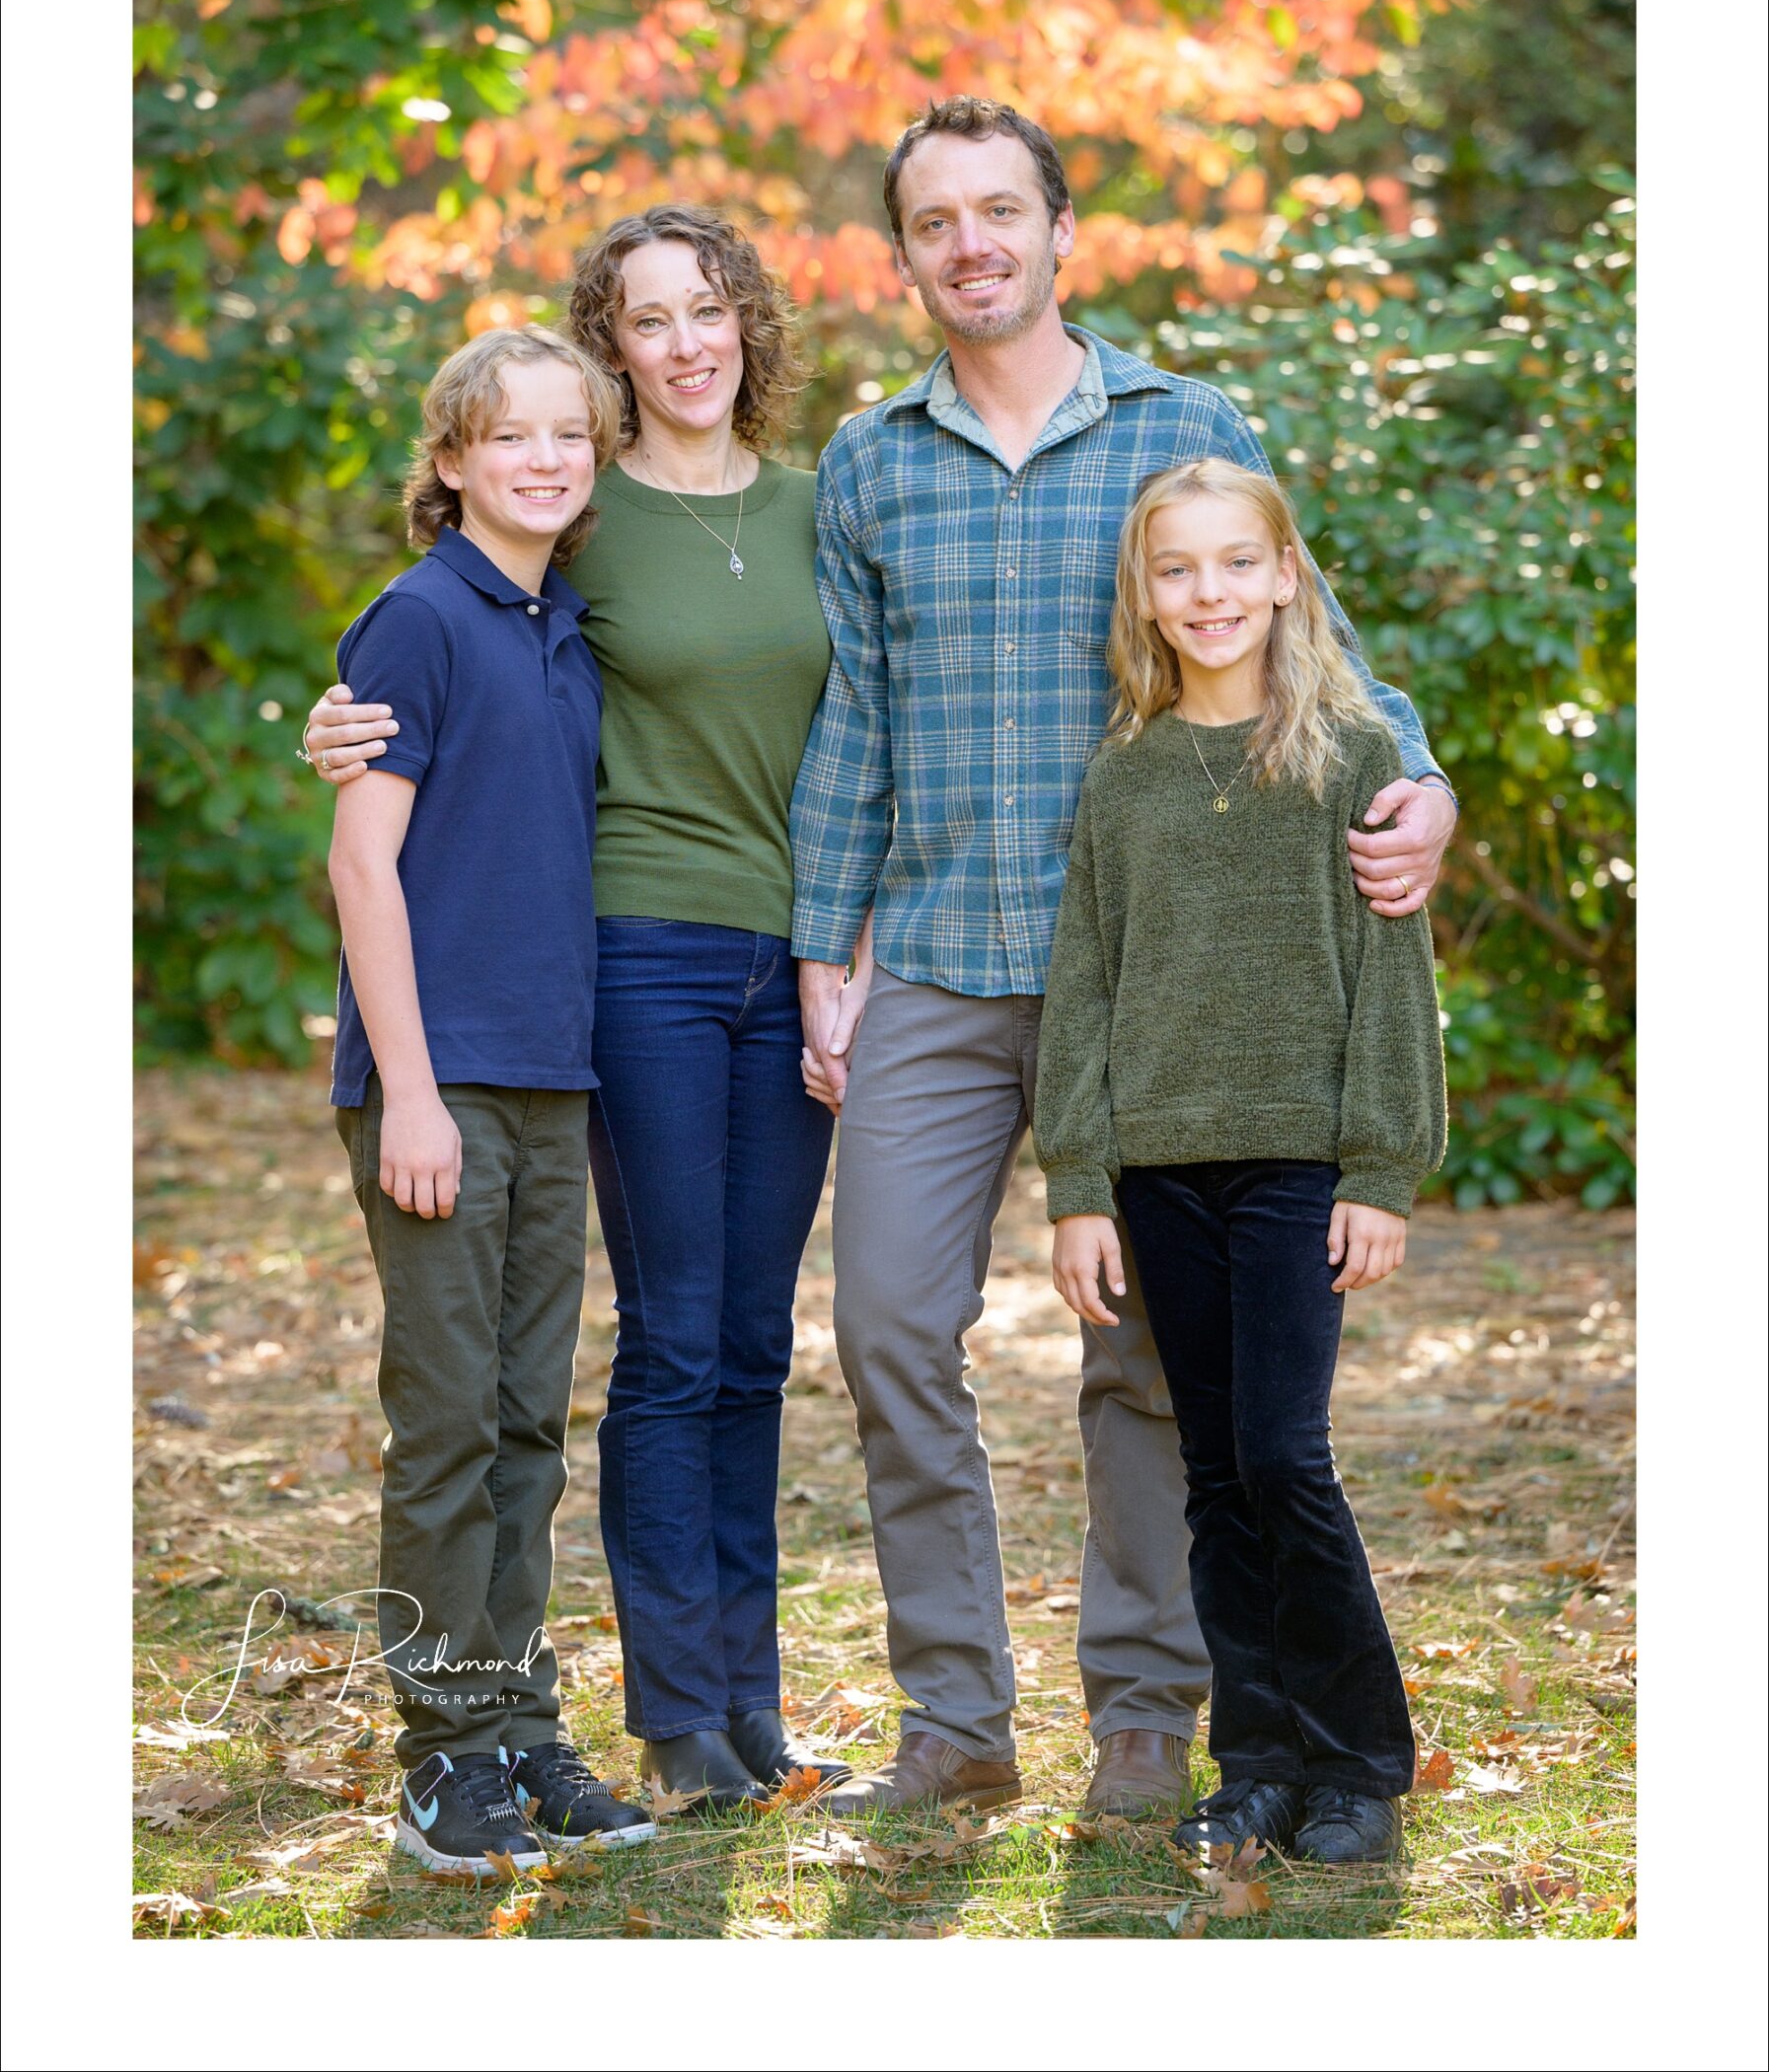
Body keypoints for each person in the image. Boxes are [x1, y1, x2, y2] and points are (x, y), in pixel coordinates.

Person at [792, 96, 1457, 1822]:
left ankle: (1154, 1708)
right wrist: (824, 947)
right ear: (906, 255)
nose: (971, 245)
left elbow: (1311, 644)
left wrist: (1424, 783)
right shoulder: (869, 461)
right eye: (934, 221)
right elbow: (853, 720)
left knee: (1153, 1361)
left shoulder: (1182, 422)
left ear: (1060, 229)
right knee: (883, 1327)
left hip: (1164, 982)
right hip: (940, 955)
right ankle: (953, 1716)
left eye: (999, 211)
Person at [305, 210, 853, 1813]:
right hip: (553, 1014)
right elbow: (380, 812)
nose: (682, 343)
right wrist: (343, 741)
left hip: (668, 1011)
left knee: (617, 1386)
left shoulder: (729, 548)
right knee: (526, 1394)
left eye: (707, 310)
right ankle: (507, 1739)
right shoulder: (486, 580)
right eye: (644, 323)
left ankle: (574, 1727)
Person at [1037, 458, 1444, 1864]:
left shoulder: (1348, 757)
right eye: (1175, 570)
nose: (1205, 593)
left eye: (1232, 564)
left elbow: (1392, 985)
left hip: (1294, 1165)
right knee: (1213, 1473)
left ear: (1284, 576)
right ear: (1144, 598)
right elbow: (1084, 990)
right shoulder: (1126, 777)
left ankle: (1357, 1763)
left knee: (1284, 1458)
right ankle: (1257, 1758)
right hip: (1158, 1169)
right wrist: (1077, 1186)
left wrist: (1380, 1170)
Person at [328, 323, 654, 1874]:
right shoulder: (418, 620)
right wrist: (407, 1092)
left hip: (547, 1077)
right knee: (447, 1426)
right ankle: (442, 1754)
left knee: (529, 1422)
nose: (542, 458)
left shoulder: (562, 627)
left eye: (569, 438)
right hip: (436, 1085)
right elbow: (361, 862)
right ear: (451, 460)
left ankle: (518, 1729)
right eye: (510, 435)